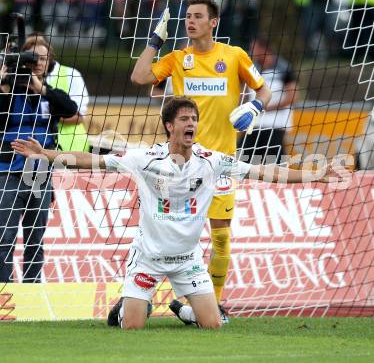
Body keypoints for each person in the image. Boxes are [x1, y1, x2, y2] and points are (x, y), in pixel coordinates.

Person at [10, 96, 348, 328]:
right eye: (185, 119)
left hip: (188, 259)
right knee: (133, 328)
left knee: (213, 325)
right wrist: (49, 154)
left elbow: (267, 171)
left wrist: (316, 173)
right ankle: (125, 308)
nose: (192, 123)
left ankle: (184, 311)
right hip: (148, 258)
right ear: (170, 126)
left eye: (195, 119)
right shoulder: (145, 159)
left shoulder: (212, 161)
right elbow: (93, 161)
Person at [130, 0, 272, 321]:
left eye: (197, 16)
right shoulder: (178, 58)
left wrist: (254, 107)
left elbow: (264, 90)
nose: (190, 21)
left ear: (213, 22)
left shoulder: (234, 56)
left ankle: (211, 307)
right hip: (180, 166)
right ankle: (138, 296)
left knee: (221, 238)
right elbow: (139, 77)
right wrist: (155, 41)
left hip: (220, 164)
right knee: (165, 234)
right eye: (187, 16)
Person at [0, 36, 78, 282]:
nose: (37, 63)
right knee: (4, 240)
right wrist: (2, 85)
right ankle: (4, 294)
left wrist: (41, 88)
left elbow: (70, 109)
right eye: (32, 58)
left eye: (43, 58)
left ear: (49, 63)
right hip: (7, 173)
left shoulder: (51, 94)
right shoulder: (9, 92)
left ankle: (31, 292)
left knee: (35, 241)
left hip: (40, 176)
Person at [239, 38, 298, 164]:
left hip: (276, 124)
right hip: (254, 123)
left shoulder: (284, 68)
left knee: (274, 162)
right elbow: (244, 94)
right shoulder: (251, 68)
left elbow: (292, 97)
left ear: (263, 49)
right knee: (243, 159)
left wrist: (266, 107)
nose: (251, 52)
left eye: (254, 48)